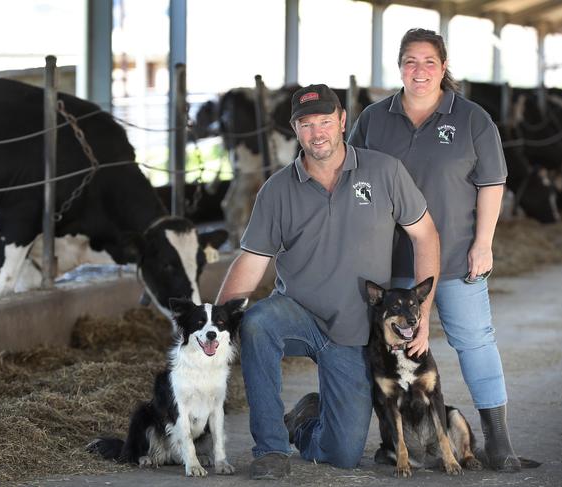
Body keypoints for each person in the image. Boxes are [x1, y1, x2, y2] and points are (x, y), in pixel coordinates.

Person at [216, 83, 440, 480]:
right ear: (294, 129)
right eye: (306, 124)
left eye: (324, 121)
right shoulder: (277, 190)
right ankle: (270, 447)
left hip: (355, 331)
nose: (317, 132)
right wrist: (214, 326)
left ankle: (302, 421)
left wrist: (422, 312)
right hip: (298, 312)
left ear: (341, 121)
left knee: (344, 453)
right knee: (256, 323)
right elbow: (252, 260)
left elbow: (425, 235)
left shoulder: (384, 171)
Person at [348, 28, 520, 473]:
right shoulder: (373, 118)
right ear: (398, 66)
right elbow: (356, 181)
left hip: (459, 256)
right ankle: (394, 442)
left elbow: (491, 184)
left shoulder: (472, 118)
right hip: (394, 265)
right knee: (393, 352)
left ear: (444, 67)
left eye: (429, 62)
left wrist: (484, 244)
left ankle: (497, 442)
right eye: (410, 61)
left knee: (474, 341)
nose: (419, 71)